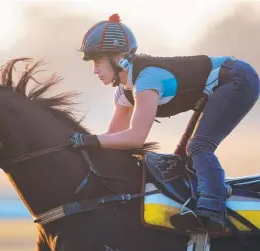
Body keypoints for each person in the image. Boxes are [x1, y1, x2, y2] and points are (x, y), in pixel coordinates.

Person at [68, 13, 260, 232]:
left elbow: (135, 138)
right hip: (218, 87)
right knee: (182, 159)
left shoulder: (147, 80)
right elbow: (113, 141)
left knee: (199, 146)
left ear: (118, 59)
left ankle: (213, 212)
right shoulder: (123, 91)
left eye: (98, 61)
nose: (95, 70)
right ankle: (204, 199)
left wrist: (86, 140)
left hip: (239, 78)